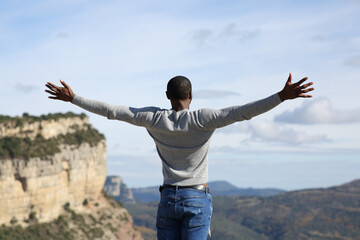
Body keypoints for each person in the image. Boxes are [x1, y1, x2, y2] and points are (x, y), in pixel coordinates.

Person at [45, 74, 314, 240]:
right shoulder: (203, 119)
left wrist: (74, 98)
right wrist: (281, 96)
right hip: (197, 198)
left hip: (167, 199)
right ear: (191, 95)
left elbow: (113, 111)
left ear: (167, 96)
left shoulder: (153, 119)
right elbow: (244, 111)